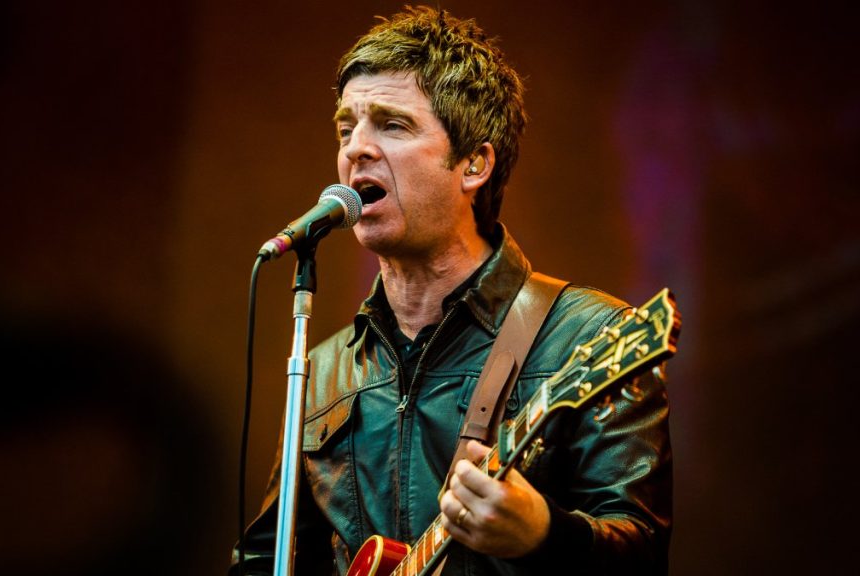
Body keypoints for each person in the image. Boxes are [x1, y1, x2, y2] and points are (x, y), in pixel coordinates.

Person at [233, 6, 671, 575]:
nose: (356, 148)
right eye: (346, 128)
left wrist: (544, 535)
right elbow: (268, 559)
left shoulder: (592, 337)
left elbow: (642, 555)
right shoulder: (325, 371)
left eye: (392, 125)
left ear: (473, 165)